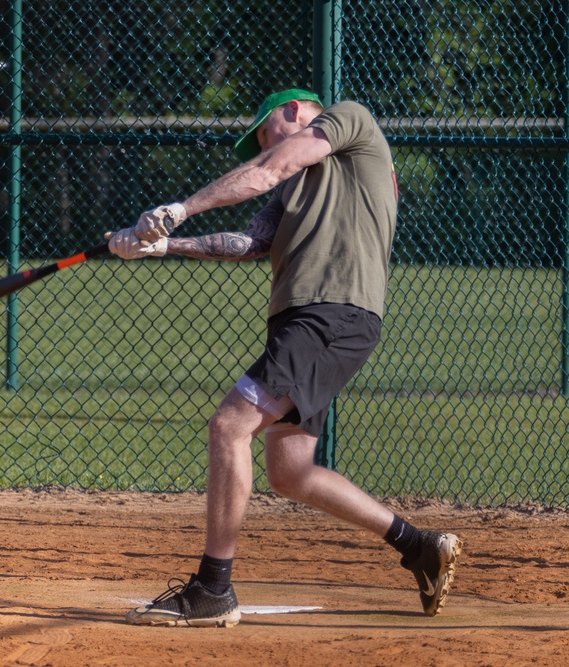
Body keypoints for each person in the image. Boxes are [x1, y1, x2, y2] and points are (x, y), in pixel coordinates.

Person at [104, 89, 462, 627]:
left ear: (295, 110)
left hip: (330, 312)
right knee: (290, 471)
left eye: (266, 131)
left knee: (229, 427)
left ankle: (212, 589)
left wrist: (178, 209)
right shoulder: (299, 186)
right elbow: (247, 242)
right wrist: (161, 246)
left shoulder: (350, 121)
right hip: (312, 320)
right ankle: (419, 546)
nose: (264, 147)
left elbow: (272, 167)